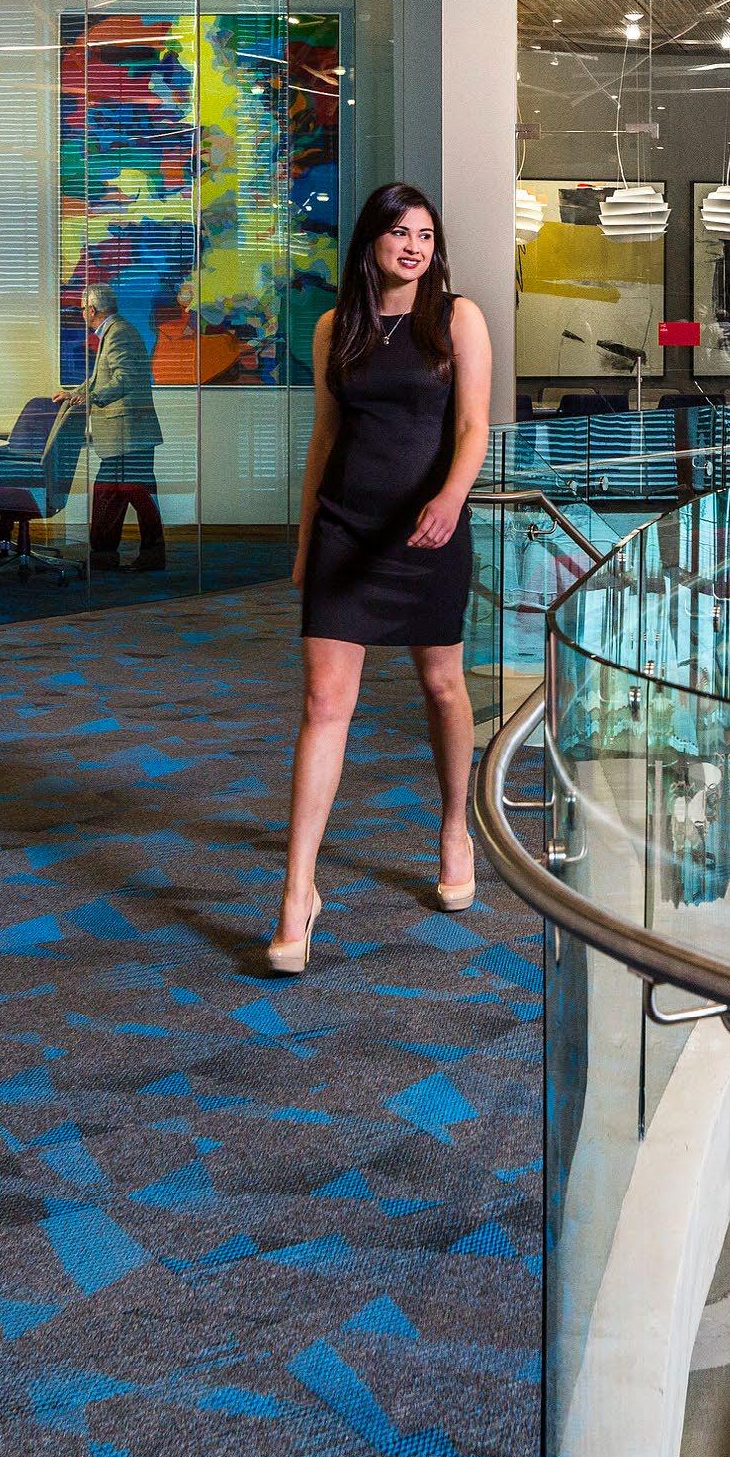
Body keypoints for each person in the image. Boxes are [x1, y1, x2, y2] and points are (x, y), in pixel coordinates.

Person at [269, 182, 492, 975]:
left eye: (425, 235)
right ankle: (297, 892)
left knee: (442, 686)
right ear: (371, 241)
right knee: (323, 704)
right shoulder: (336, 326)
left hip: (429, 527)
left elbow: (473, 426)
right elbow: (324, 440)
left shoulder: (457, 319)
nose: (413, 247)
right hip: (346, 531)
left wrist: (450, 499)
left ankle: (455, 829)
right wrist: (306, 545)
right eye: (400, 233)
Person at [72, 287, 165, 573]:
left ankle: (145, 555)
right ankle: (107, 556)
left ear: (92, 310)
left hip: (128, 432)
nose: (81, 314)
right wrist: (75, 394)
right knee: (113, 494)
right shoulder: (114, 331)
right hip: (126, 432)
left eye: (82, 309)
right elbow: (100, 378)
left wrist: (93, 398)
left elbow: (126, 378)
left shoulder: (118, 333)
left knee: (131, 493)